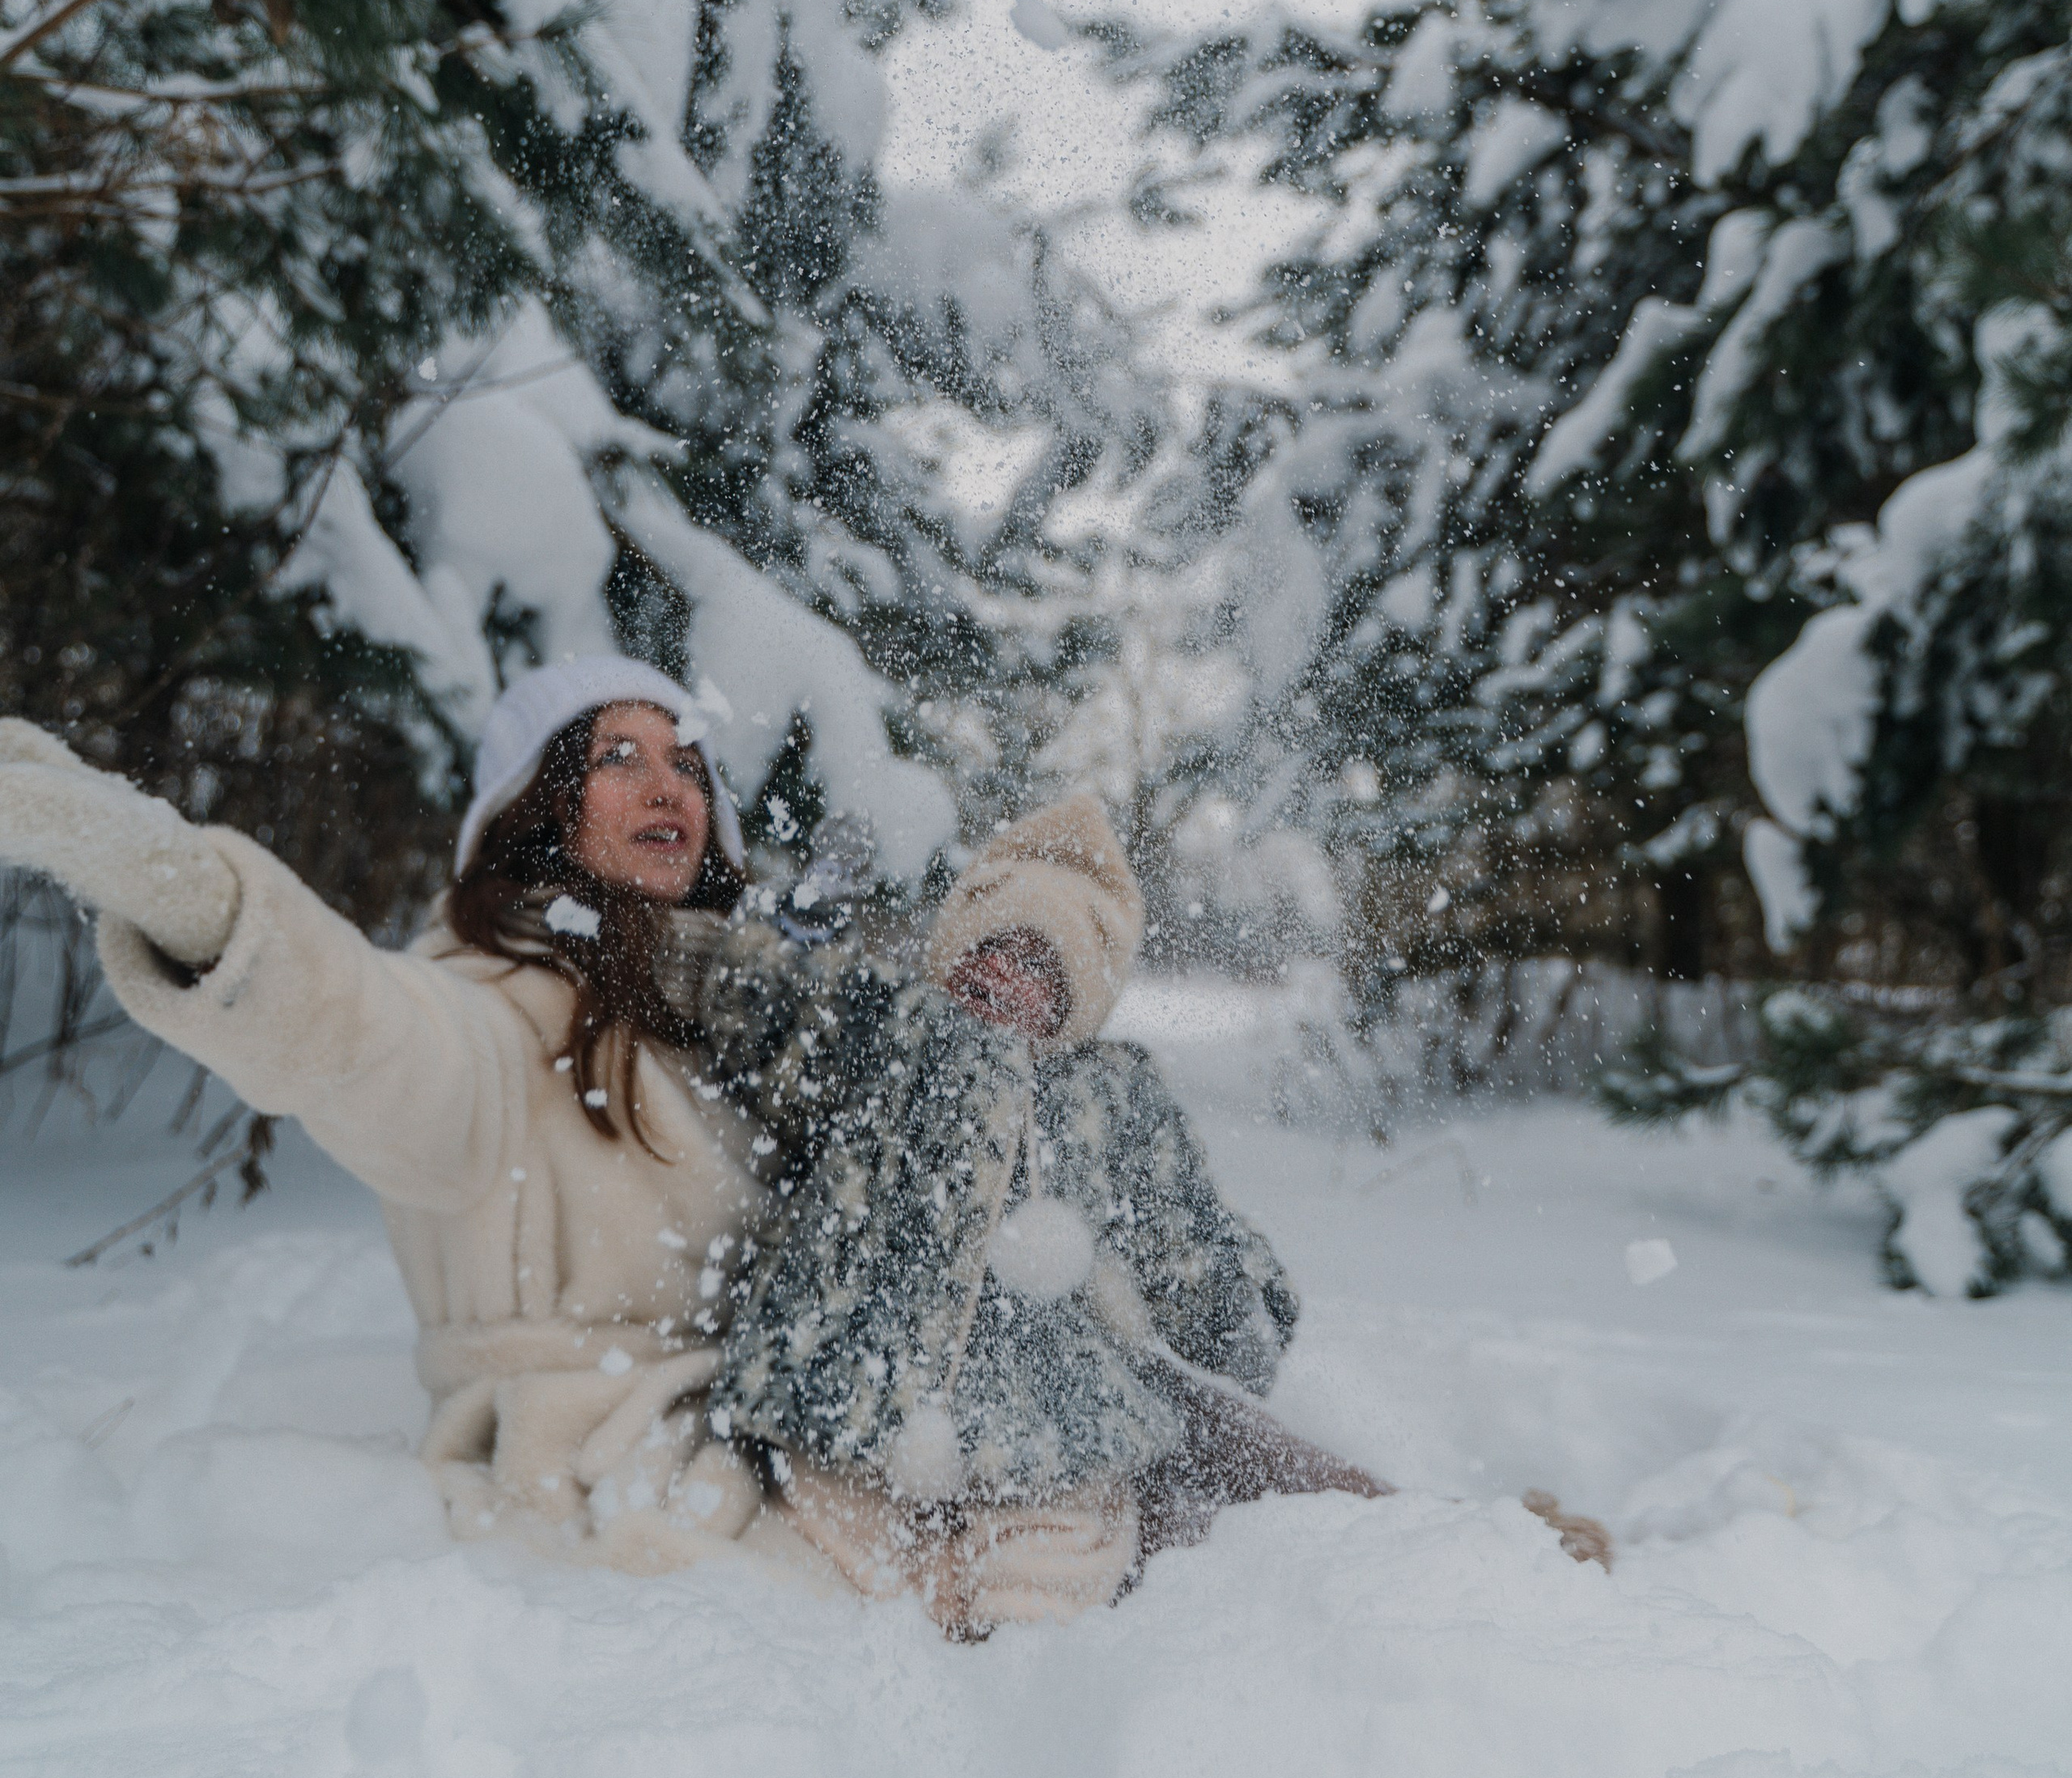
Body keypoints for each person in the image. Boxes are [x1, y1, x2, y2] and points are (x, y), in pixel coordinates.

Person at [0, 661, 1599, 1627]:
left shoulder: (714, 1009)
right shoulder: (484, 1015)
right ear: (529, 812)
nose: (668, 780)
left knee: (1113, 1373)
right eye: (613, 752)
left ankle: (1420, 1556)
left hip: (808, 1411)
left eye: (686, 756)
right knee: (1100, 1443)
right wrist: (180, 886)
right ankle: (1415, 1578)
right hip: (673, 1481)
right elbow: (343, 1027)